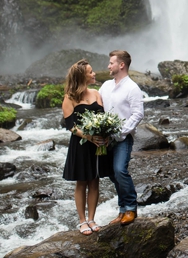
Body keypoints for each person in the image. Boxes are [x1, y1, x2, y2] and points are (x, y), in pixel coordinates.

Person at [61, 59, 111, 235]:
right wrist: (89, 137)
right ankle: (82, 221)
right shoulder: (70, 98)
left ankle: (92, 219)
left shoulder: (96, 94)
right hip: (81, 144)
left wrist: (105, 135)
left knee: (95, 181)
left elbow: (104, 119)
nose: (94, 74)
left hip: (97, 144)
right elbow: (71, 126)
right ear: (82, 76)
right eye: (91, 72)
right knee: (81, 182)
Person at [99, 50, 144, 226]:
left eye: (111, 63)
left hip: (122, 138)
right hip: (105, 138)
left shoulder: (132, 88)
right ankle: (122, 209)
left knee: (120, 170)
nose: (108, 66)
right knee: (111, 173)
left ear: (121, 65)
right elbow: (98, 106)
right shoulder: (106, 86)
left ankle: (131, 208)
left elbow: (138, 114)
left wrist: (120, 132)